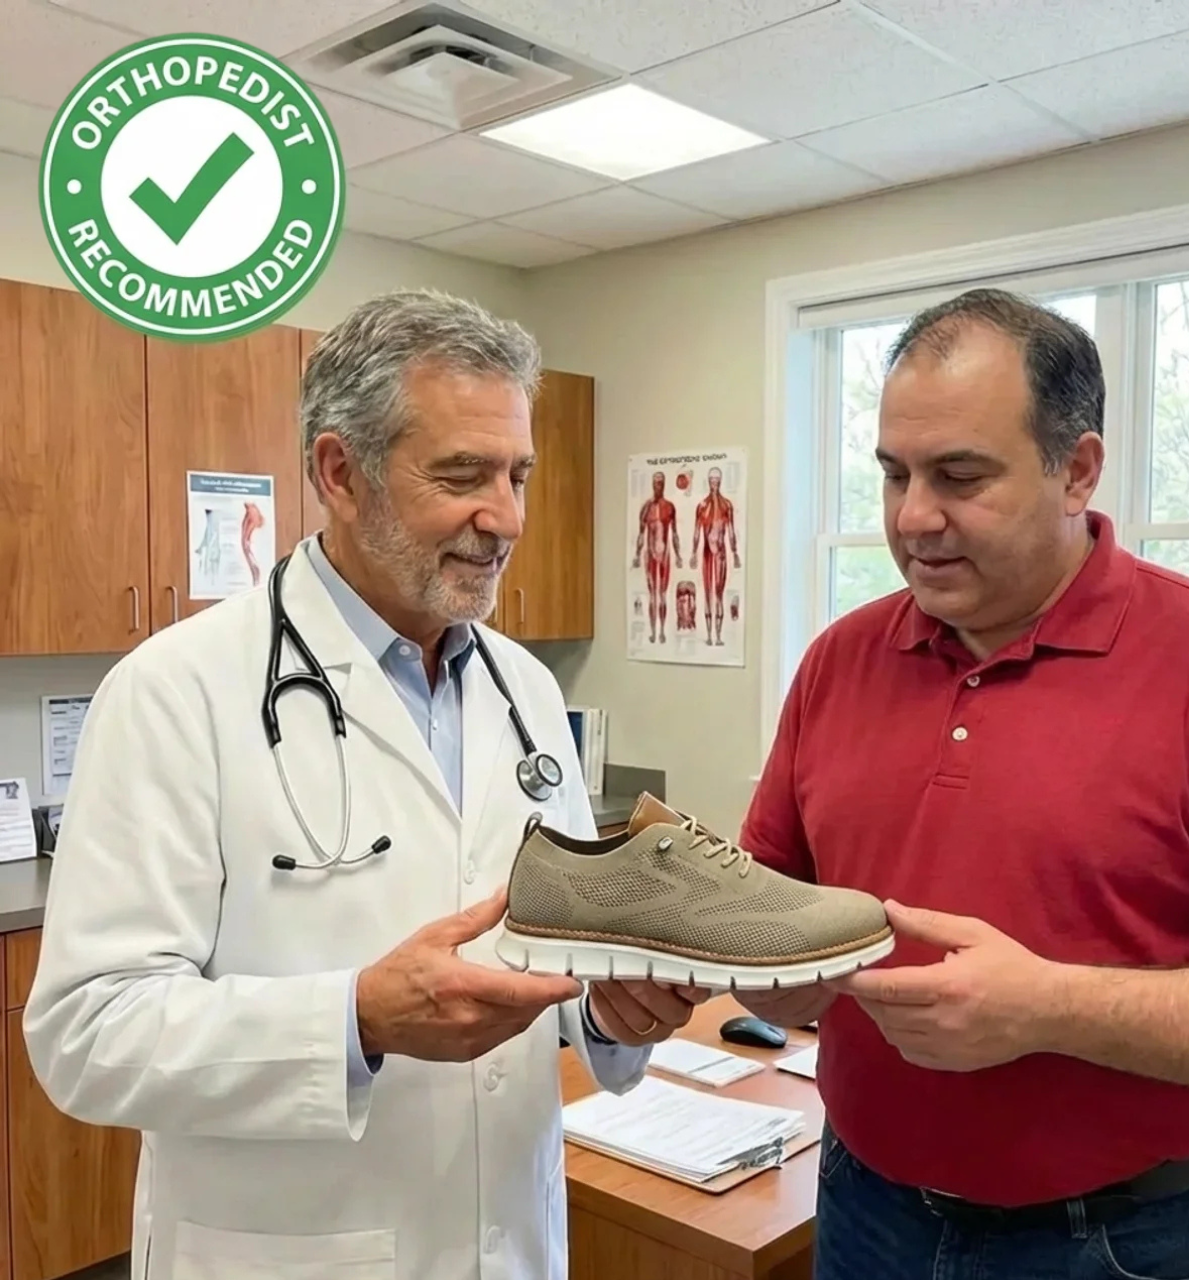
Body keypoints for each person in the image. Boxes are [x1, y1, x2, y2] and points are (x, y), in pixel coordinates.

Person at [23, 289, 705, 1280]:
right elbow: (86, 1033)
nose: (506, 518)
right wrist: (355, 1018)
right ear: (340, 473)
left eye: (517, 474)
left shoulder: (522, 689)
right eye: (462, 475)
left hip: (509, 1242)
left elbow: (554, 971)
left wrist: (610, 1010)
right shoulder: (176, 691)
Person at [736, 287, 1189, 1279]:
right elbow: (767, 906)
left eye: (959, 476)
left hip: (1128, 1241)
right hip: (866, 1205)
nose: (912, 517)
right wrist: (755, 961)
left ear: (1077, 471)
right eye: (892, 474)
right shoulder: (837, 660)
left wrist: (1048, 1007)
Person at [690, 466, 739, 645]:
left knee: (718, 594)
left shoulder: (726, 505)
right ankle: (709, 635)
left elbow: (731, 530)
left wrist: (735, 552)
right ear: (708, 482)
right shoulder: (702, 506)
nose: (714, 484)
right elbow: (697, 531)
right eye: (712, 481)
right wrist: (693, 553)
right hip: (706, 553)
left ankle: (717, 636)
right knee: (707, 593)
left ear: (720, 482)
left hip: (721, 554)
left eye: (717, 481)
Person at [632, 469, 682, 643]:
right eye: (656, 483)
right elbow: (641, 534)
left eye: (661, 483)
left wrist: (678, 555)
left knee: (662, 594)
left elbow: (674, 533)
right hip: (650, 554)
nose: (658, 486)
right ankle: (654, 632)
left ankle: (662, 631)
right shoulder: (646, 509)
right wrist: (637, 554)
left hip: (665, 554)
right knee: (653, 593)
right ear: (652, 485)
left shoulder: (670, 507)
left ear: (664, 485)